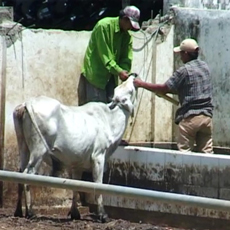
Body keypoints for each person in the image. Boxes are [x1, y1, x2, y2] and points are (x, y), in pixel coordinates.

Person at [134, 38, 214, 153]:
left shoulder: (184, 71)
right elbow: (190, 89)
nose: (180, 57)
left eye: (181, 53)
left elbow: (164, 88)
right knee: (207, 154)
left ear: (186, 53)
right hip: (207, 118)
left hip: (190, 118)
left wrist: (141, 84)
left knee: (185, 155)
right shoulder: (205, 67)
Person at [78, 5, 141, 105]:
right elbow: (105, 56)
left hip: (111, 77)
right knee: (96, 110)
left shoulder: (127, 36)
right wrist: (119, 71)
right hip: (96, 76)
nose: (130, 28)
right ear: (124, 19)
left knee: (110, 110)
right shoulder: (103, 26)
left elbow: (126, 58)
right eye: (130, 24)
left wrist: (124, 71)